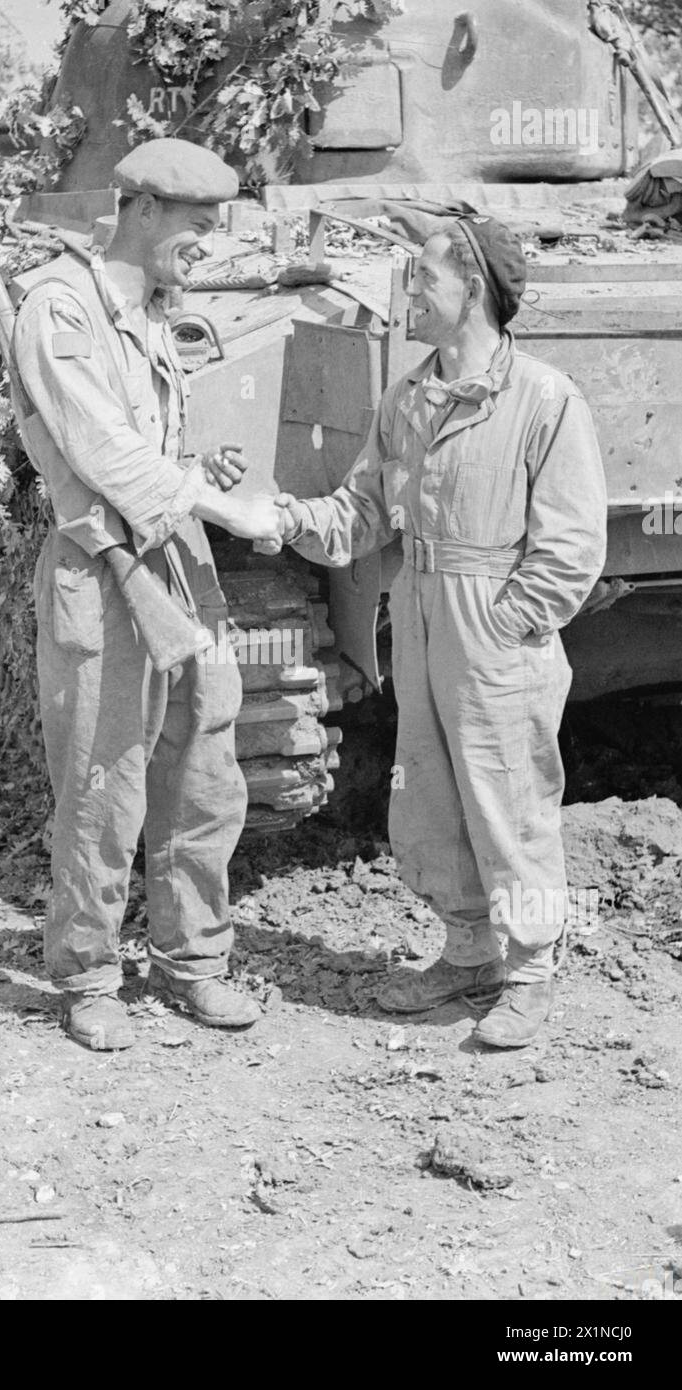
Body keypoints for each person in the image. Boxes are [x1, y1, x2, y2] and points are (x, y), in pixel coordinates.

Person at [272, 214, 607, 1048]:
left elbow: (571, 544)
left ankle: (528, 970)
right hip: (418, 606)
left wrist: (509, 621)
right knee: (428, 791)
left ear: (473, 292)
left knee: (508, 798)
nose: (409, 292)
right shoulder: (405, 399)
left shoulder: (542, 399)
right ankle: (466, 953)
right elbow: (356, 515)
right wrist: (280, 519)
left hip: (489, 614)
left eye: (423, 278)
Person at [11, 138, 282, 1051]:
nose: (208, 243)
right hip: (101, 568)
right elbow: (99, 454)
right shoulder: (60, 307)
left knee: (204, 768)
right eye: (197, 225)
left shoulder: (152, 309)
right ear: (141, 211)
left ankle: (192, 961)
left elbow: (147, 451)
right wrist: (224, 504)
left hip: (174, 559)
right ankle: (89, 975)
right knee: (101, 781)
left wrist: (198, 468)